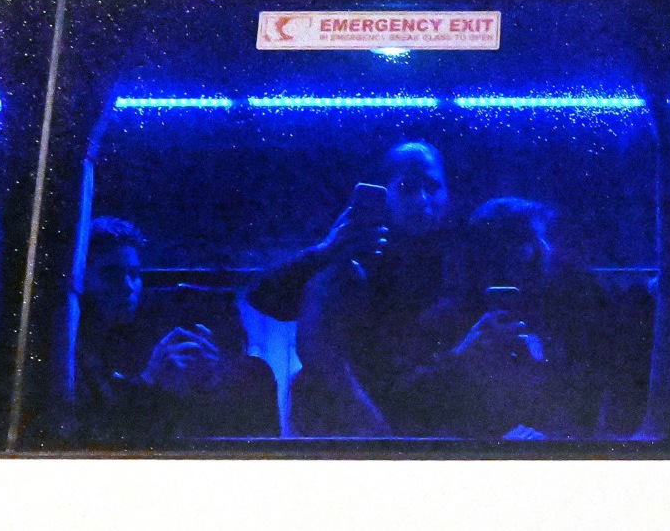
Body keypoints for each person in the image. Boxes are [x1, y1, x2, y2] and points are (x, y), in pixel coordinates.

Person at [392, 197, 622, 440]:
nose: (545, 249)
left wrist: (551, 440)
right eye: (529, 240)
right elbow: (404, 405)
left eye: (544, 239)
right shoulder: (444, 319)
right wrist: (461, 356)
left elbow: (590, 402)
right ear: (493, 253)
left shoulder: (568, 315)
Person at [280, 141, 462, 436]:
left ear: (448, 193)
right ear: (383, 193)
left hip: (418, 418)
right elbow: (325, 360)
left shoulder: (458, 260)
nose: (422, 199)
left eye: (432, 186)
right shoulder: (353, 256)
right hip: (359, 425)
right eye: (407, 186)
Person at [74, 216, 278, 446]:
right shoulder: (73, 351)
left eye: (134, 273)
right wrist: (149, 381)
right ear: (82, 279)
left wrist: (212, 378)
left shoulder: (138, 341)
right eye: (110, 274)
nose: (128, 286)